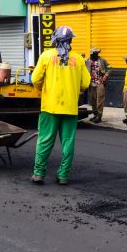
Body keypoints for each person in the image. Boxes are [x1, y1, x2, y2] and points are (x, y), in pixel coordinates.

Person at [31, 26, 91, 186]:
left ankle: (38, 174)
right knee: (68, 142)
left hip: (49, 108)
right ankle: (63, 175)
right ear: (71, 40)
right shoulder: (78, 59)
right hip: (70, 109)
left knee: (44, 141)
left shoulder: (46, 56)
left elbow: (35, 79)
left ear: (55, 40)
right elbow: (85, 83)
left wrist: (44, 89)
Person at [85, 46, 111, 123]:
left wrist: (105, 76)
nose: (97, 54)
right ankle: (95, 115)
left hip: (100, 83)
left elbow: (110, 68)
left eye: (97, 53)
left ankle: (99, 116)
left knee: (100, 100)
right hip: (91, 83)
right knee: (92, 100)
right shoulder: (87, 61)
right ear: (91, 54)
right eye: (95, 53)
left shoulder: (102, 60)